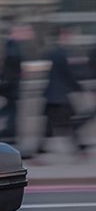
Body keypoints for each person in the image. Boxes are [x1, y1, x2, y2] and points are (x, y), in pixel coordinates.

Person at [34, 26, 88, 160]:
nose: (70, 38)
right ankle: (79, 150)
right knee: (67, 124)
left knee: (53, 125)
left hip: (53, 96)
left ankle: (40, 152)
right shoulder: (61, 54)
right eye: (67, 35)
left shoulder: (55, 52)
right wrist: (79, 89)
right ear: (62, 36)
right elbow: (67, 75)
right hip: (59, 97)